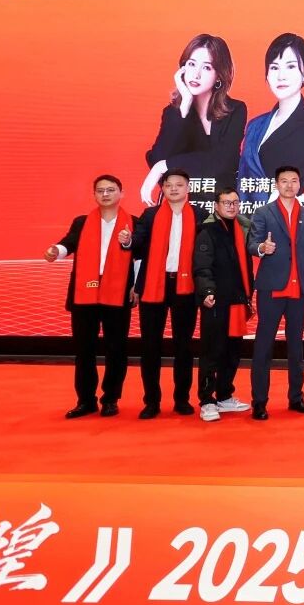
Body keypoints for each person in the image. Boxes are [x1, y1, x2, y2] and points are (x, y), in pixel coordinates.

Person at [45, 175, 137, 419]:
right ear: (94, 195)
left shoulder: (133, 223)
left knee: (116, 348)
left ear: (121, 193)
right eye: (100, 190)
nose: (105, 194)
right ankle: (85, 400)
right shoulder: (82, 222)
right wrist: (56, 250)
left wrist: (136, 285)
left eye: (111, 190)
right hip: (85, 294)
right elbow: (68, 244)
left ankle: (110, 399)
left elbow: (139, 256)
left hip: (117, 292)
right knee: (84, 349)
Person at [238, 33, 304, 213]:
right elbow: (241, 179)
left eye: (291, 66)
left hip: (285, 224)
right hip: (245, 221)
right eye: (274, 67)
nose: (281, 76)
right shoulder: (255, 125)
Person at [142, 34, 247, 210]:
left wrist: (165, 166)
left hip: (221, 206)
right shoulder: (173, 113)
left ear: (219, 75)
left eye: (206, 67)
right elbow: (158, 157)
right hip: (183, 207)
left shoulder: (235, 109)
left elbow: (223, 161)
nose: (196, 74)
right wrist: (184, 107)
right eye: (191, 64)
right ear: (182, 69)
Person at [247, 166, 304, 420]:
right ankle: (259, 401)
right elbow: (252, 244)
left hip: (299, 291)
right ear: (276, 184)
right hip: (271, 289)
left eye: (294, 181)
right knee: (263, 346)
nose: (289, 185)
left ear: (300, 184)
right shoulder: (263, 213)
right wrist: (262, 248)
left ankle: (296, 397)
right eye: (284, 181)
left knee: (296, 347)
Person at [126, 168, 199, 419]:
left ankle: (182, 399)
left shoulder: (200, 215)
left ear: (188, 188)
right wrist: (127, 241)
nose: (174, 189)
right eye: (168, 185)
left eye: (179, 184)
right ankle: (151, 401)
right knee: (150, 346)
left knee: (183, 346)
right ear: (163, 189)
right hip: (153, 285)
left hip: (185, 287)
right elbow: (136, 245)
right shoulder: (150, 215)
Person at [192, 185, 255, 422]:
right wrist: (207, 291)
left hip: (237, 302)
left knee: (232, 352)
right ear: (216, 206)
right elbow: (202, 266)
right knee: (212, 352)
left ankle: (224, 395)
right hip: (216, 302)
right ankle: (207, 400)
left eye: (235, 203)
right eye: (226, 203)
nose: (231, 207)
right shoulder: (207, 231)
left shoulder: (241, 229)